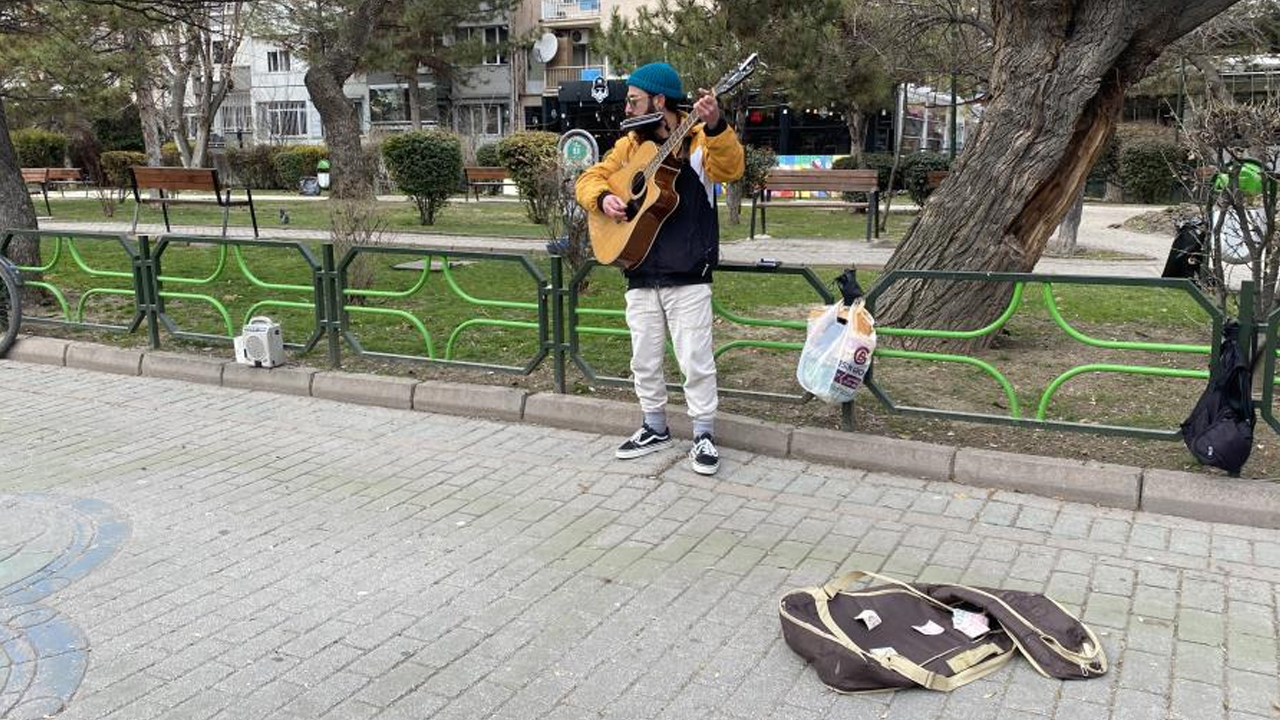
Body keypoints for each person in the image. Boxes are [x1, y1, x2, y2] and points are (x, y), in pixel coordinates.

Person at [575, 61, 745, 476]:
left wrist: (718, 123)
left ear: (659, 100)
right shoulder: (630, 146)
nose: (628, 109)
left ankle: (704, 433)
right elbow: (589, 180)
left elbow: (732, 168)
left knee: (695, 359)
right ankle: (654, 426)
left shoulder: (700, 140)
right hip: (639, 268)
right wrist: (603, 200)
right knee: (644, 359)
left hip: (687, 271)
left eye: (634, 101)